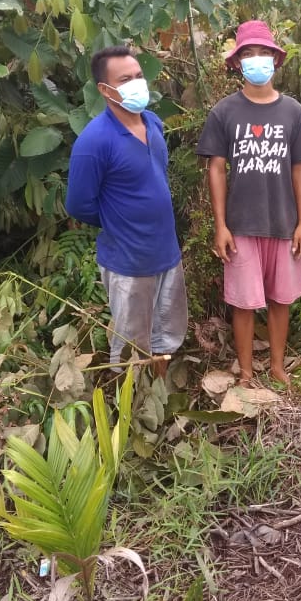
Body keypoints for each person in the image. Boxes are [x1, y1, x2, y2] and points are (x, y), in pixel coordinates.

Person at [196, 20, 301, 385]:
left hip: (283, 222)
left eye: (264, 53)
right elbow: (216, 168)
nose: (257, 60)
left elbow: (300, 169)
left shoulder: (293, 112)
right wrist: (221, 225)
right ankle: (245, 373)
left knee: (281, 299)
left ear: (276, 61)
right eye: (249, 54)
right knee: (243, 303)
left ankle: (276, 366)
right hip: (241, 224)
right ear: (237, 63)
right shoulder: (224, 112)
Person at [66, 45, 188, 365]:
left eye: (138, 76)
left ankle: (157, 404)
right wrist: (121, 222)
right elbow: (78, 205)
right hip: (129, 262)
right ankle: (128, 410)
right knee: (132, 349)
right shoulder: (94, 142)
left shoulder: (153, 124)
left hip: (166, 253)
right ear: (105, 90)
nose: (136, 83)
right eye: (125, 79)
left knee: (166, 337)